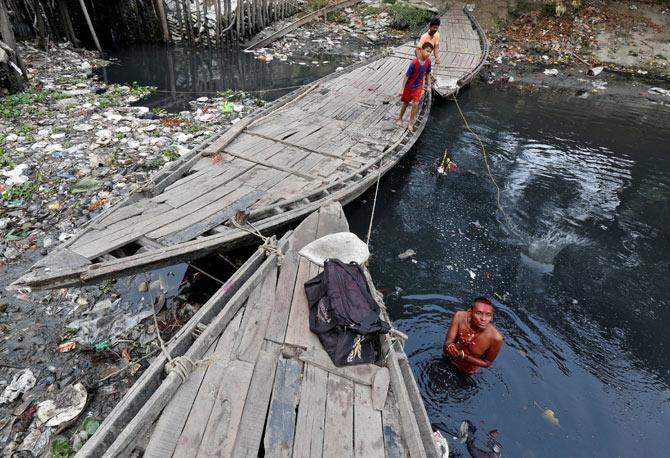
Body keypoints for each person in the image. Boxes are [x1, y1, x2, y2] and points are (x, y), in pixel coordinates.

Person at [443, 297, 503, 374]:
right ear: (470, 312)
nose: (483, 319)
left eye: (488, 315)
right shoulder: (459, 317)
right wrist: (460, 344)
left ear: (492, 317)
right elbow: (446, 346)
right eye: (478, 313)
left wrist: (464, 356)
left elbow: (487, 363)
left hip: (467, 371)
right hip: (449, 359)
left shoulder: (496, 337)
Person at [397, 42, 432, 132]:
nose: (428, 53)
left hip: (418, 86)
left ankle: (410, 122)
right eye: (427, 51)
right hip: (409, 86)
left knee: (415, 104)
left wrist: (428, 85)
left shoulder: (428, 62)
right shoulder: (414, 62)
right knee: (405, 102)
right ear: (421, 50)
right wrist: (402, 89)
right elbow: (407, 76)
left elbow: (428, 74)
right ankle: (400, 118)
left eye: (430, 52)